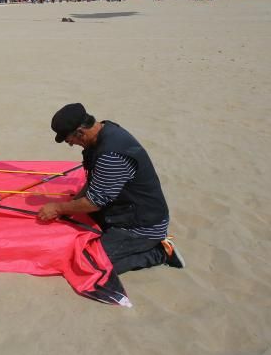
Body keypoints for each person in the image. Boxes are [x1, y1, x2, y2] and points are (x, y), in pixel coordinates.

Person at [39, 103, 185, 274]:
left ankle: (160, 253)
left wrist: (58, 208)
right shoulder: (103, 132)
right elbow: (95, 181)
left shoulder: (111, 154)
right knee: (78, 219)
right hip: (121, 209)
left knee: (87, 264)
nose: (70, 144)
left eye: (69, 140)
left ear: (80, 132)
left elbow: (95, 202)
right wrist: (73, 202)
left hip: (142, 226)